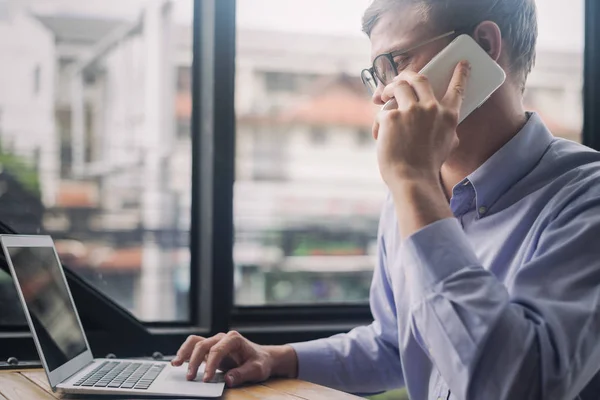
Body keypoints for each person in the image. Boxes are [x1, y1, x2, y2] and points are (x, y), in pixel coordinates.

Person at [172, 0, 600, 399]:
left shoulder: (585, 196)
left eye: (396, 62)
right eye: (376, 73)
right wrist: (279, 357)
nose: (380, 94)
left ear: (482, 49)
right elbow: (396, 343)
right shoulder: (409, 193)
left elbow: (518, 384)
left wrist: (413, 184)